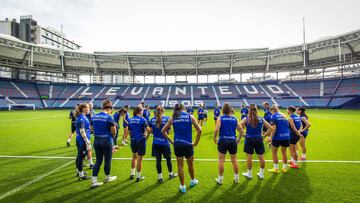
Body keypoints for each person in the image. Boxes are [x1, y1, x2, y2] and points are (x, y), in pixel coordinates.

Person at [161, 104, 202, 194]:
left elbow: (162, 131)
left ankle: (182, 186)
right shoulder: (190, 116)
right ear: (183, 108)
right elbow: (199, 130)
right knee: (190, 164)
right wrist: (195, 143)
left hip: (178, 144)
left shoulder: (173, 118)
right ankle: (192, 180)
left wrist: (171, 141)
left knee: (180, 166)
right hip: (188, 144)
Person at [240, 104, 273, 179]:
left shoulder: (246, 118)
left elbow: (238, 125)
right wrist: (264, 136)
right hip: (259, 139)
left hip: (249, 139)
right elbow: (271, 128)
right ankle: (261, 174)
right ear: (256, 110)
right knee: (261, 157)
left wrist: (242, 133)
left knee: (249, 157)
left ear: (249, 110)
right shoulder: (261, 118)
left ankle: (249, 174)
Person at [213, 103, 244, 184]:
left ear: (223, 109)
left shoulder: (220, 118)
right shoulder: (235, 118)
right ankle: (236, 178)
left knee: (221, 160)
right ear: (230, 109)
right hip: (232, 140)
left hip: (223, 140)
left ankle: (220, 180)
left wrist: (214, 138)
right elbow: (241, 130)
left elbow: (216, 130)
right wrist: (239, 138)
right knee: (234, 160)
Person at [90, 99, 117, 187]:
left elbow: (91, 128)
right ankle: (107, 177)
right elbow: (114, 131)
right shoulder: (109, 117)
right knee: (107, 159)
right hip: (106, 140)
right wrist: (112, 138)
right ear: (110, 108)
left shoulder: (94, 116)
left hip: (97, 140)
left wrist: (97, 133)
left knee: (98, 160)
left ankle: (94, 181)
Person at [149, 105, 177, 183]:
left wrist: (155, 132)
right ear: (163, 111)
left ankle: (160, 177)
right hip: (164, 143)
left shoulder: (152, 120)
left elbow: (150, 130)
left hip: (155, 143)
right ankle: (171, 174)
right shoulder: (167, 118)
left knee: (158, 161)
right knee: (168, 159)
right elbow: (169, 130)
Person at [129, 106, 151, 182]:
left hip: (133, 140)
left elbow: (130, 132)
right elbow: (149, 130)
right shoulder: (143, 119)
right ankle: (138, 176)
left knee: (134, 157)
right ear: (140, 111)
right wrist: (146, 137)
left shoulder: (131, 119)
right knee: (139, 159)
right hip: (140, 140)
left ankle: (132, 174)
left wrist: (132, 137)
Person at [267, 105, 290, 174]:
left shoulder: (273, 116)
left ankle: (276, 168)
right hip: (286, 136)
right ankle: (285, 168)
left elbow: (274, 128)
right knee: (284, 152)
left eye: (270, 112)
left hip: (277, 137)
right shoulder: (284, 116)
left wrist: (270, 137)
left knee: (274, 152)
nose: (271, 113)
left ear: (272, 110)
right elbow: (287, 126)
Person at [74, 103, 91, 180]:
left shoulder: (83, 117)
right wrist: (87, 141)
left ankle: (79, 171)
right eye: (87, 107)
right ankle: (81, 175)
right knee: (81, 157)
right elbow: (82, 130)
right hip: (82, 140)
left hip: (80, 139)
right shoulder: (81, 118)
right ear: (83, 109)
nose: (89, 108)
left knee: (79, 156)